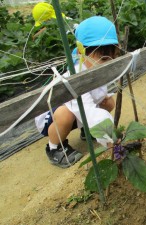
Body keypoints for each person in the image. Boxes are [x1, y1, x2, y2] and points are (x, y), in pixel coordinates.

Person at [35, 16, 119, 168]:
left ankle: (86, 131)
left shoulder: (96, 68)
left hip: (80, 110)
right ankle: (55, 148)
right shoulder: (75, 76)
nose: (106, 63)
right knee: (65, 114)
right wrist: (108, 137)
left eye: (110, 58)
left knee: (108, 102)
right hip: (53, 116)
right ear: (81, 52)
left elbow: (96, 99)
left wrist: (103, 99)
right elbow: (86, 109)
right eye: (102, 58)